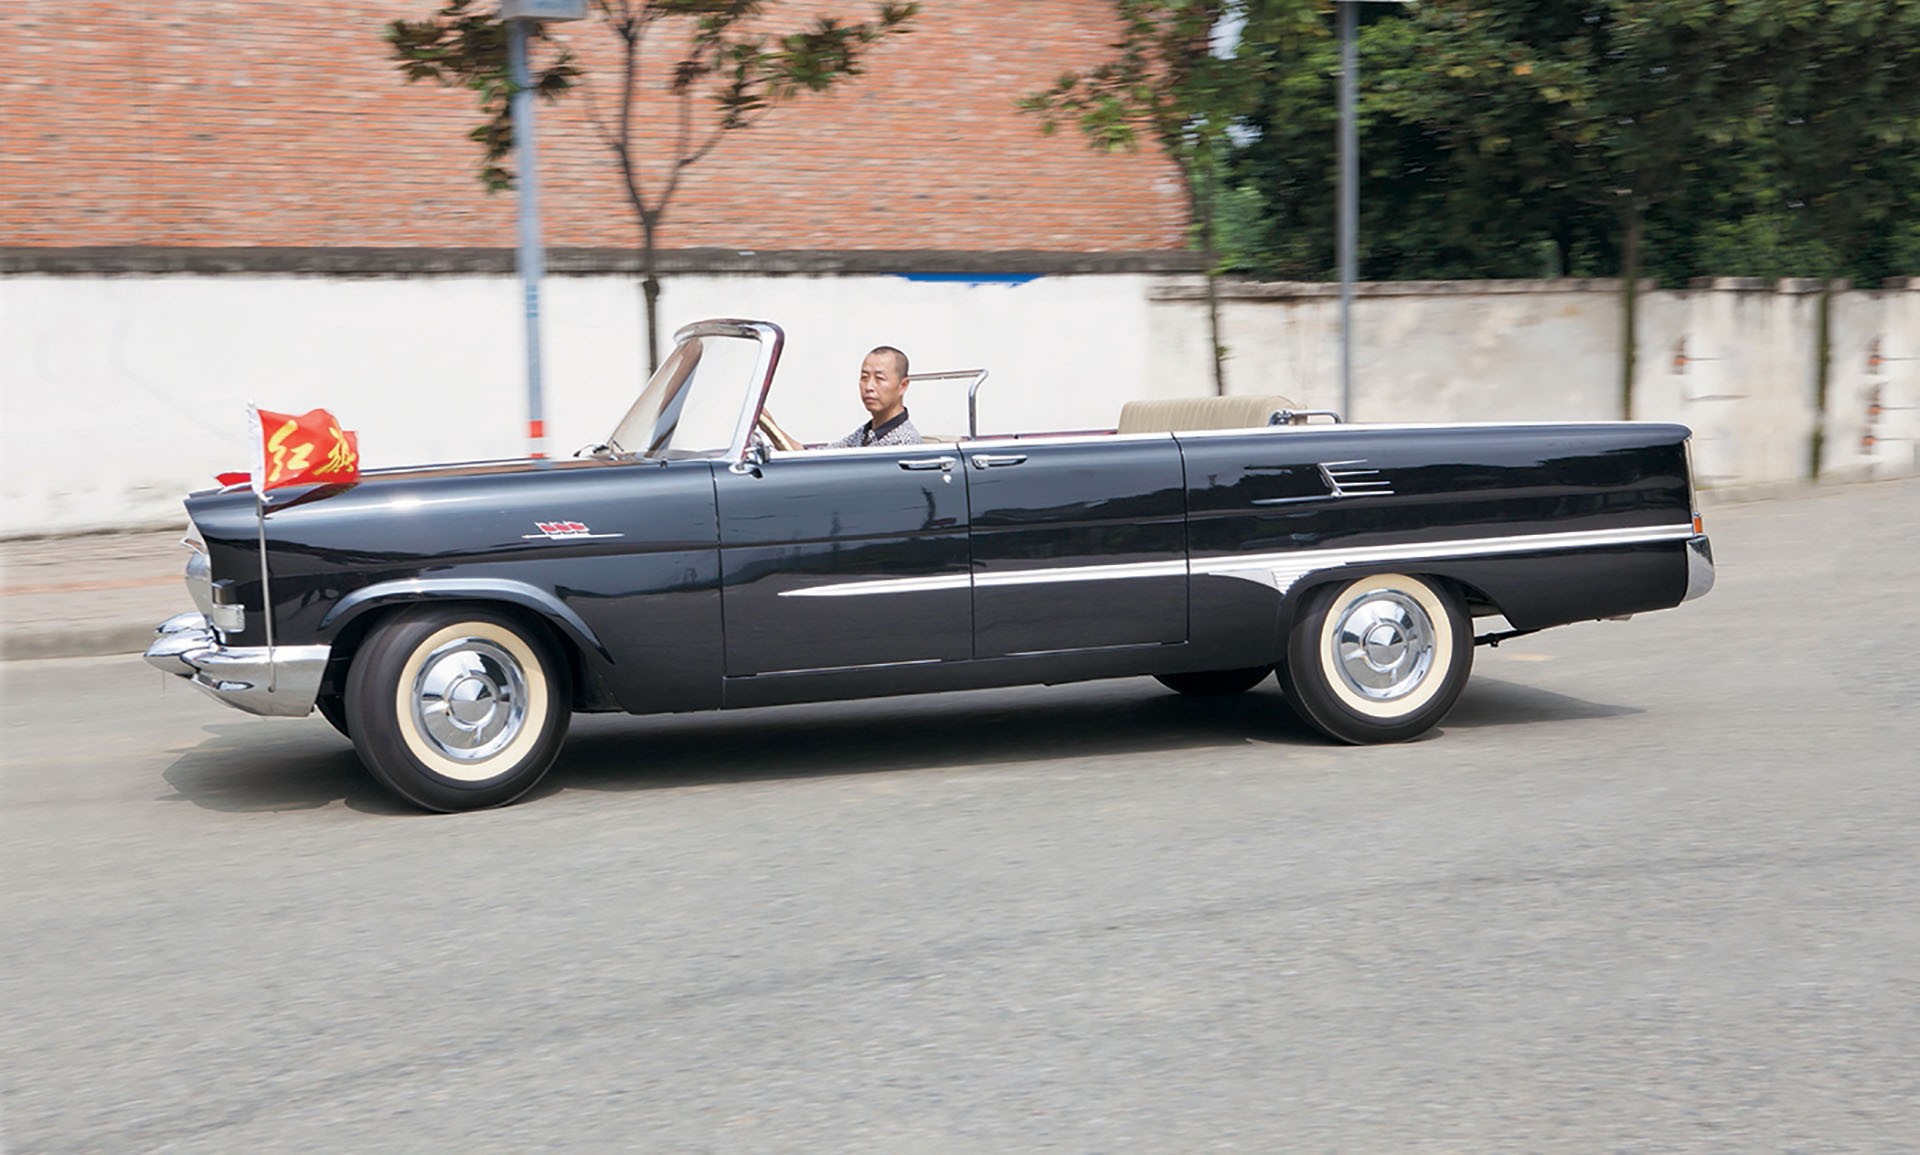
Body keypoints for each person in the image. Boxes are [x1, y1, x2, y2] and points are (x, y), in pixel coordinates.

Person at [828, 346, 922, 447]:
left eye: (879, 378)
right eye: (864, 377)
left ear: (903, 385)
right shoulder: (865, 433)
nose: (869, 387)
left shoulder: (905, 443)